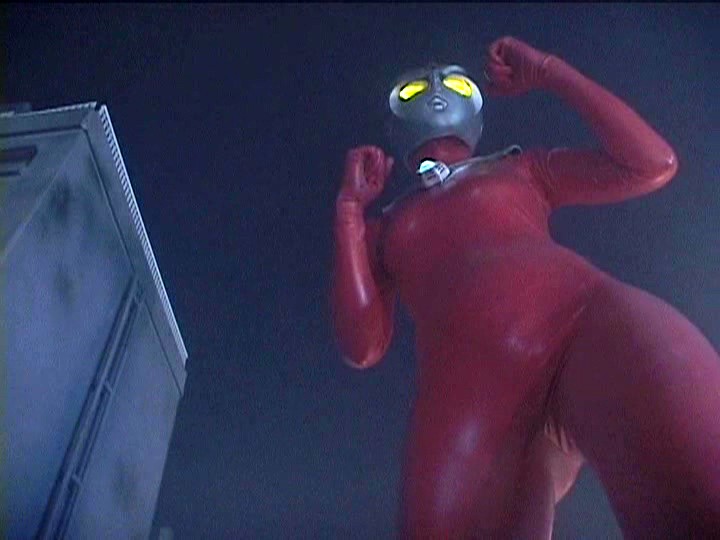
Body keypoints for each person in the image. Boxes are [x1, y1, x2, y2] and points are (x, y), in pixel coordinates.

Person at [330, 36, 720, 538]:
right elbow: (362, 346)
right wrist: (349, 213)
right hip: (465, 392)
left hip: (584, 322)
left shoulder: (520, 168)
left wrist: (549, 71)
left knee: (701, 492)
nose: (435, 92)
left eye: (455, 85)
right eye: (412, 92)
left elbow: (651, 162)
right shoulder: (386, 226)